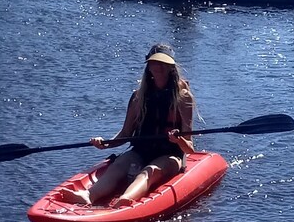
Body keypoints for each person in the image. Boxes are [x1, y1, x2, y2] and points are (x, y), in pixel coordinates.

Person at [60, 44, 195, 207]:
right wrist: (105, 144)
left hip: (170, 155)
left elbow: (189, 148)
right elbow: (125, 133)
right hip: (141, 151)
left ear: (171, 68)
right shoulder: (138, 97)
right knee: (119, 165)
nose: (158, 67)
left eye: (163, 63)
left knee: (149, 171)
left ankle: (125, 200)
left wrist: (178, 140)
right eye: (154, 63)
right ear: (148, 67)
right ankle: (89, 195)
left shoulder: (183, 97)